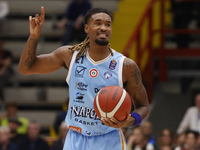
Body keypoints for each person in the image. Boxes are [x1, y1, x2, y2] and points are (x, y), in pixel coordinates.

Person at [18, 7, 150, 150]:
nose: (103, 28)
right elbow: (26, 68)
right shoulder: (70, 55)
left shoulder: (125, 65)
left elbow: (143, 107)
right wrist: (34, 37)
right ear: (86, 28)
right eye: (98, 23)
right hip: (75, 139)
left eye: (108, 24)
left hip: (108, 140)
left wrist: (128, 121)